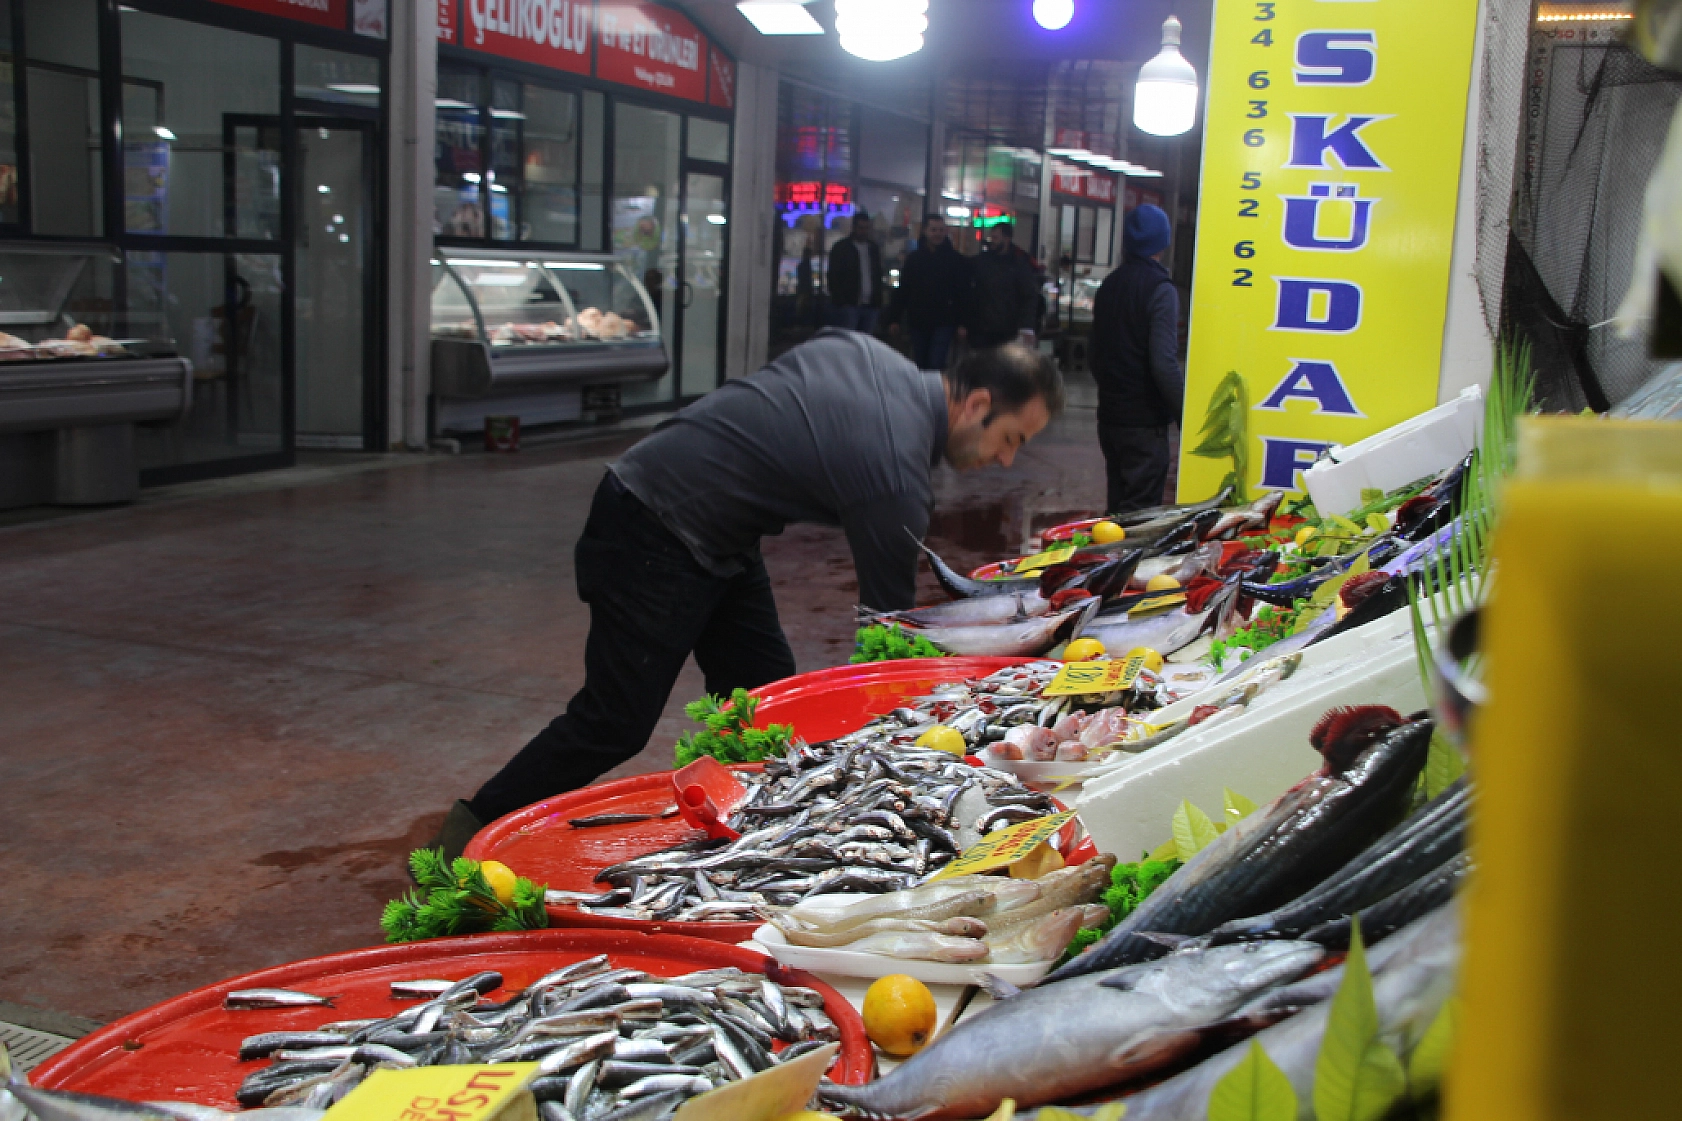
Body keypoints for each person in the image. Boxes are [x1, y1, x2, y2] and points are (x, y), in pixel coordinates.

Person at [430, 333, 1066, 854]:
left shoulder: (876, 355)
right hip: (653, 521)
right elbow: (889, 643)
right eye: (1010, 439)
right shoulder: (894, 472)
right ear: (977, 402)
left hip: (716, 528)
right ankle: (466, 830)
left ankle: (744, 829)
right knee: (613, 721)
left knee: (760, 688)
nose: (1007, 461)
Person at [1090, 204, 1185, 514]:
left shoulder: (1109, 285)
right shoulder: (1161, 289)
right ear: (1164, 241)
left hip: (1111, 418)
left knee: (1116, 512)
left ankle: (1107, 561)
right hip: (1144, 423)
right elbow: (1163, 363)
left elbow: (1095, 354)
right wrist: (1185, 413)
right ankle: (1126, 563)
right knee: (1140, 516)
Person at [888, 213, 971, 371]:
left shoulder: (956, 261)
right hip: (919, 320)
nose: (937, 234)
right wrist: (894, 318)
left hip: (944, 320)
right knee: (920, 363)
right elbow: (904, 289)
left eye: (940, 230)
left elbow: (963, 294)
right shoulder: (914, 260)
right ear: (925, 231)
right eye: (934, 230)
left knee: (935, 362)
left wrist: (963, 323)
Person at [967, 221, 1040, 348]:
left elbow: (1028, 296)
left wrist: (1026, 325)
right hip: (982, 327)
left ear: (1007, 238)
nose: (992, 241)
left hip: (1008, 328)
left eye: (995, 238)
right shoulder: (981, 262)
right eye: (991, 237)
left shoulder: (1019, 264)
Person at [825, 211, 886, 334]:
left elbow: (877, 274)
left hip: (870, 305)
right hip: (849, 305)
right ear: (854, 228)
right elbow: (833, 276)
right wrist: (841, 301)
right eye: (861, 228)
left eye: (866, 228)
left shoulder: (873, 249)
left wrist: (878, 300)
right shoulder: (842, 248)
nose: (864, 232)